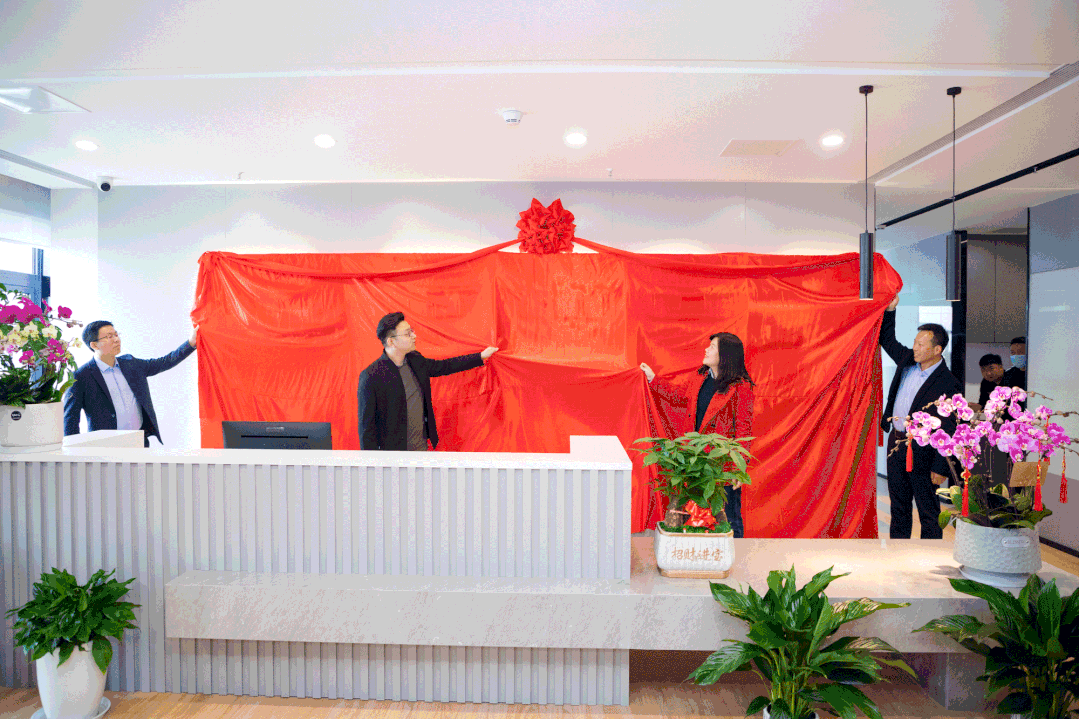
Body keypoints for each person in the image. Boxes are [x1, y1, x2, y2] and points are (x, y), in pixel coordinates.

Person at [640, 332, 754, 537]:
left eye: (712, 347)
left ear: (725, 354)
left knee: (728, 516)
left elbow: (743, 428)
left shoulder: (740, 387)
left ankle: (734, 551)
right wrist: (653, 379)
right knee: (693, 512)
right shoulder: (700, 377)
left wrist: (739, 467)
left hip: (721, 463)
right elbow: (678, 396)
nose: (706, 350)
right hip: (695, 459)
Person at [879, 295, 961, 539]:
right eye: (915, 343)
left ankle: (930, 554)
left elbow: (951, 428)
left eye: (921, 345)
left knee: (928, 510)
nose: (915, 348)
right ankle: (898, 552)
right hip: (897, 443)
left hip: (924, 451)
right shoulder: (908, 361)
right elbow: (887, 339)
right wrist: (890, 311)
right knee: (899, 506)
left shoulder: (948, 383)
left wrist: (941, 466)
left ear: (937, 350)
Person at [357, 312, 498, 451]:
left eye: (412, 331)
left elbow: (445, 366)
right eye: (407, 334)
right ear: (391, 341)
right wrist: (372, 462)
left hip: (420, 448)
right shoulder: (371, 376)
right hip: (392, 455)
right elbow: (366, 428)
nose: (414, 336)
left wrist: (480, 357)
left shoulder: (415, 361)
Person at [63, 320, 198, 447]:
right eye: (109, 336)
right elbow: (70, 419)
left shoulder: (131, 364)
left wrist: (191, 343)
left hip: (138, 440)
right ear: (94, 345)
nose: (116, 339)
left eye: (116, 334)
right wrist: (73, 452)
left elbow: (164, 362)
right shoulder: (81, 377)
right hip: (104, 446)